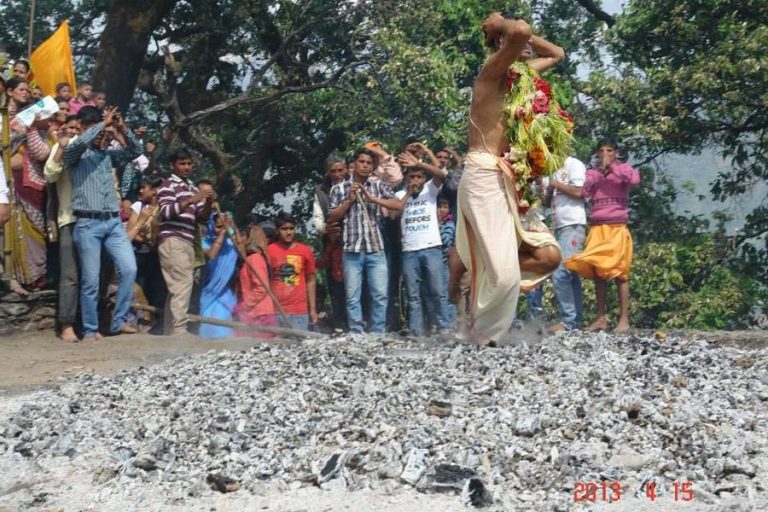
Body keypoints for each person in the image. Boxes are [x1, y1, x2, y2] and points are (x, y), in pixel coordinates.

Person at [452, 12, 564, 345]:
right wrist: (501, 24)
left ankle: (480, 266)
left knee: (549, 257)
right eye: (519, 43)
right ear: (503, 44)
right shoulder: (489, 75)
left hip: (509, 180)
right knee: (504, 279)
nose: (527, 45)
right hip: (484, 176)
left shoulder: (522, 75)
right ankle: (481, 336)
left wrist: (513, 33)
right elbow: (521, 31)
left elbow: (556, 53)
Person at [63, 106, 140, 342]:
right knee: (91, 281)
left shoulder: (108, 155)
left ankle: (118, 322)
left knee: (129, 269)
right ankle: (89, 329)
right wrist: (102, 123)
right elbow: (77, 145)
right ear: (86, 128)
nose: (101, 134)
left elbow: (135, 151)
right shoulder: (74, 154)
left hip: (113, 222)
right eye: (96, 128)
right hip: (88, 223)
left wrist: (121, 127)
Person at [565, 139, 640, 333]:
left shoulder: (624, 169)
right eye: (601, 151)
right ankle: (600, 318)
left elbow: (633, 180)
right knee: (599, 273)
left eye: (609, 150)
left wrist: (613, 167)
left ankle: (624, 320)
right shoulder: (592, 172)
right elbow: (585, 191)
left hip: (617, 227)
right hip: (598, 227)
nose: (605, 154)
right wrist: (601, 171)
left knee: (620, 274)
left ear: (616, 152)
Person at [327, 147, 403, 333]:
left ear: (372, 167)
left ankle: (378, 333)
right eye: (361, 161)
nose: (365, 165)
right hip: (351, 249)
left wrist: (373, 199)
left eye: (369, 163)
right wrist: (349, 200)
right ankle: (356, 333)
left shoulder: (377, 185)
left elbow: (398, 204)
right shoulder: (339, 188)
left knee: (380, 294)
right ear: (353, 164)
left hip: (375, 248)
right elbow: (332, 217)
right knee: (352, 296)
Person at [394, 144, 452, 336]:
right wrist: (409, 192)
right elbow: (394, 212)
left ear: (424, 178)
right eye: (412, 177)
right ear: (406, 179)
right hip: (409, 250)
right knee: (413, 295)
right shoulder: (400, 195)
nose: (416, 180)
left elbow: (441, 173)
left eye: (419, 177)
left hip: (431, 247)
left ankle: (444, 327)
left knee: (438, 291)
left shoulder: (430, 191)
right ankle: (416, 330)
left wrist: (425, 155)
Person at [157, 148, 213, 335]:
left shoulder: (192, 187)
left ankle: (170, 330)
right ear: (173, 166)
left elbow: (201, 218)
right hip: (173, 238)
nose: (186, 167)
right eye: (182, 164)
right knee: (182, 283)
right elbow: (165, 212)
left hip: (188, 241)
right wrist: (191, 200)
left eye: (189, 164)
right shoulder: (167, 186)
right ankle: (179, 330)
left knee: (177, 285)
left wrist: (208, 203)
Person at [6, 77, 50, 294]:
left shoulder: (39, 124)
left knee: (36, 232)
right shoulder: (7, 119)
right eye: (21, 89)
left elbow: (42, 153)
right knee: (12, 230)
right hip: (9, 184)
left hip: (33, 184)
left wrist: (31, 127)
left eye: (27, 90)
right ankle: (15, 278)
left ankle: (35, 278)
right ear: (10, 91)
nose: (26, 92)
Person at [44, 115, 82, 343]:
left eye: (78, 128)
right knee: (70, 275)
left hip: (93, 218)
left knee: (93, 274)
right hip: (69, 218)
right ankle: (67, 324)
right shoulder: (59, 147)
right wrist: (62, 145)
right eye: (70, 128)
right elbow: (50, 173)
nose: (74, 131)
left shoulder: (90, 148)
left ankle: (92, 323)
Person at [544, 156, 588, 333]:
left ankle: (568, 321)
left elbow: (579, 192)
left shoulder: (574, 164)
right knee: (571, 274)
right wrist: (547, 189)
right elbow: (547, 203)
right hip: (559, 225)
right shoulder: (550, 168)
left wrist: (555, 184)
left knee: (560, 272)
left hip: (573, 224)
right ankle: (575, 321)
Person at [312, 155, 348, 330]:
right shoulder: (321, 191)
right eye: (333, 171)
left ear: (347, 170)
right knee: (336, 288)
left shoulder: (355, 185)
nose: (337, 174)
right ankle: (341, 326)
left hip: (355, 244)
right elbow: (318, 221)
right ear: (327, 172)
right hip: (332, 245)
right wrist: (328, 229)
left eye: (340, 170)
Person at [267, 212, 318, 330]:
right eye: (284, 229)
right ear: (277, 231)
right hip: (276, 310)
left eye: (291, 228)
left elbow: (311, 281)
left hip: (299, 311)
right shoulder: (269, 251)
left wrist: (313, 310)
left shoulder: (305, 251)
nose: (289, 232)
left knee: (298, 347)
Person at [199, 211, 240, 338]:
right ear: (211, 225)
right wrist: (223, 233)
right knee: (207, 321)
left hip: (224, 292)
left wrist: (232, 226)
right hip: (209, 290)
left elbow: (242, 249)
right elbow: (211, 254)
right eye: (218, 226)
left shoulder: (230, 243)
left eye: (224, 226)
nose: (221, 229)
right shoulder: (204, 242)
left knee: (222, 320)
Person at [236, 224, 277, 338]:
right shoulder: (249, 260)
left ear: (250, 238)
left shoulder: (254, 259)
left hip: (259, 314)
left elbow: (261, 288)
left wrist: (244, 306)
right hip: (254, 313)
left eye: (242, 236)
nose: (238, 240)